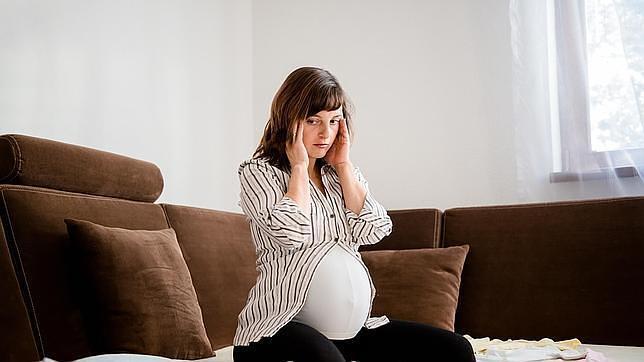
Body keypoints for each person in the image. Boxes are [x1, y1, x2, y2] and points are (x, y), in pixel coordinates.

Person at [232, 66, 475, 362]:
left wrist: (344, 166)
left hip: (351, 333)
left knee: (455, 350)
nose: (325, 133)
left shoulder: (340, 175)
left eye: (334, 121)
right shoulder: (259, 172)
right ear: (289, 121)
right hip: (278, 328)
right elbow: (291, 233)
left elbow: (375, 229)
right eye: (313, 121)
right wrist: (298, 167)